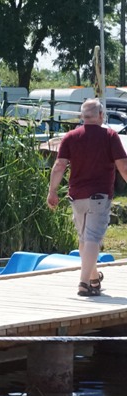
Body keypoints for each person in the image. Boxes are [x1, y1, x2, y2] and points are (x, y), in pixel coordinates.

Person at [46, 98, 127, 297]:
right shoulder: (110, 136)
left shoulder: (71, 137)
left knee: (84, 240)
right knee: (92, 239)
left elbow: (59, 166)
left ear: (82, 116)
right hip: (99, 196)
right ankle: (84, 283)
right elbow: (123, 166)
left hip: (76, 197)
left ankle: (93, 278)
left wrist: (52, 191)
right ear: (101, 115)